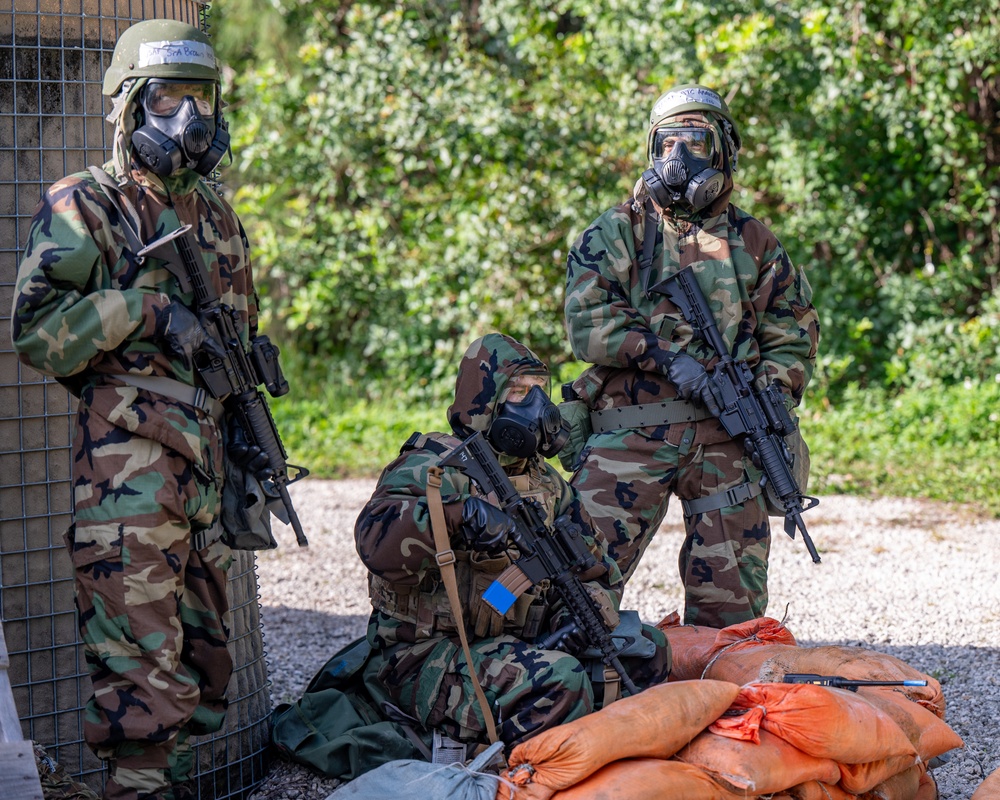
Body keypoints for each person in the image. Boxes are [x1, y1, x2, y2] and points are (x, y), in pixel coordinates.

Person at [10, 19, 267, 800]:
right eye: (166, 98)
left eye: (201, 98)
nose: (187, 119)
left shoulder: (218, 215)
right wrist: (142, 314)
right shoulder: (86, 206)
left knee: (205, 672)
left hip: (205, 467)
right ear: (127, 107)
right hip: (130, 479)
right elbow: (38, 335)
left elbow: (239, 335)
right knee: (140, 694)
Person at [562, 84, 819, 629]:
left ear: (722, 149)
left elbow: (791, 329)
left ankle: (717, 697)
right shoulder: (617, 230)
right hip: (629, 433)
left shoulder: (753, 240)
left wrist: (769, 394)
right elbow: (587, 323)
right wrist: (660, 356)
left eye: (695, 142)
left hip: (727, 438)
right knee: (573, 581)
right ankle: (558, 688)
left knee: (733, 614)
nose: (678, 159)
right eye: (667, 143)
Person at [354, 333, 671, 755]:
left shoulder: (545, 483)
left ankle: (597, 749)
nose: (536, 405)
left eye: (540, 389)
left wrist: (582, 612)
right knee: (560, 680)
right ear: (485, 401)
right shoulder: (433, 468)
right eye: (519, 392)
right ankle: (532, 767)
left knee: (648, 651)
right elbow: (374, 541)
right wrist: (457, 515)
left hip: (515, 644)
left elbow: (598, 570)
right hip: (425, 656)